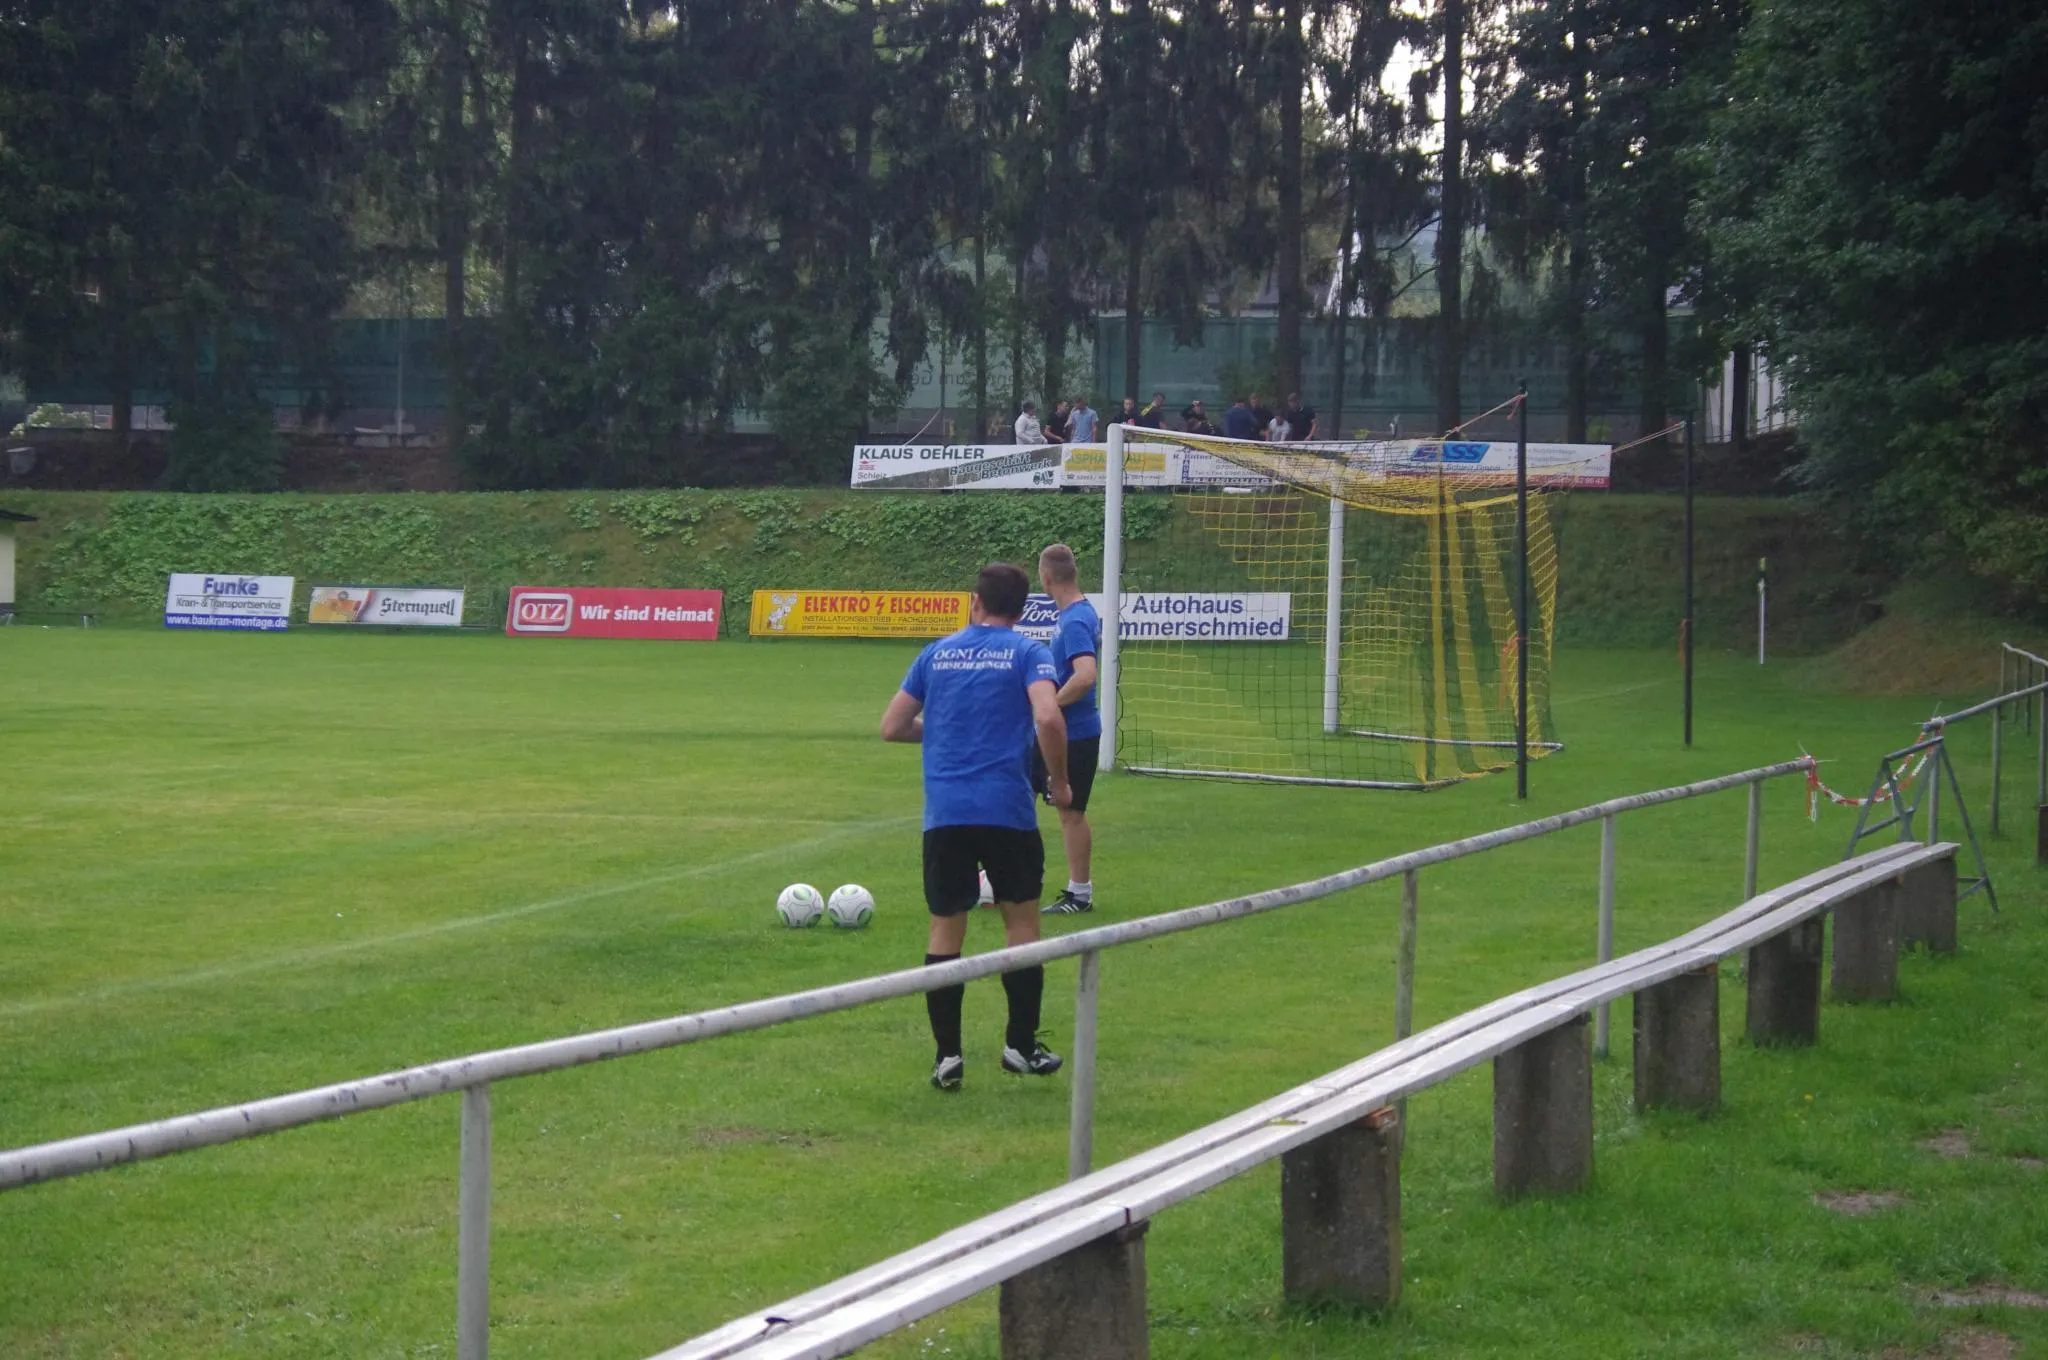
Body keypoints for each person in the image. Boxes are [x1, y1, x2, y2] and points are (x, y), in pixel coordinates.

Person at [881, 564, 1071, 1091]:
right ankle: (1020, 1045)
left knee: (946, 927)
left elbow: (893, 726)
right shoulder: (1028, 652)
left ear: (975, 602)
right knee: (1021, 924)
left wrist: (946, 733)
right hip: (1006, 809)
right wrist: (1059, 781)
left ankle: (947, 1056)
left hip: (947, 812)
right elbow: (1049, 717)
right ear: (1022, 609)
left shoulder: (936, 653)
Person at [1033, 544, 1103, 916]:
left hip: (1073, 733)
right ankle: (1001, 878)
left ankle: (1080, 894)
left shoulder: (1075, 620)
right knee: (1016, 794)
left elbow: (1086, 675)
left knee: (1070, 811)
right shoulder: (1077, 613)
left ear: (1046, 578)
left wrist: (1051, 705)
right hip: (1057, 731)